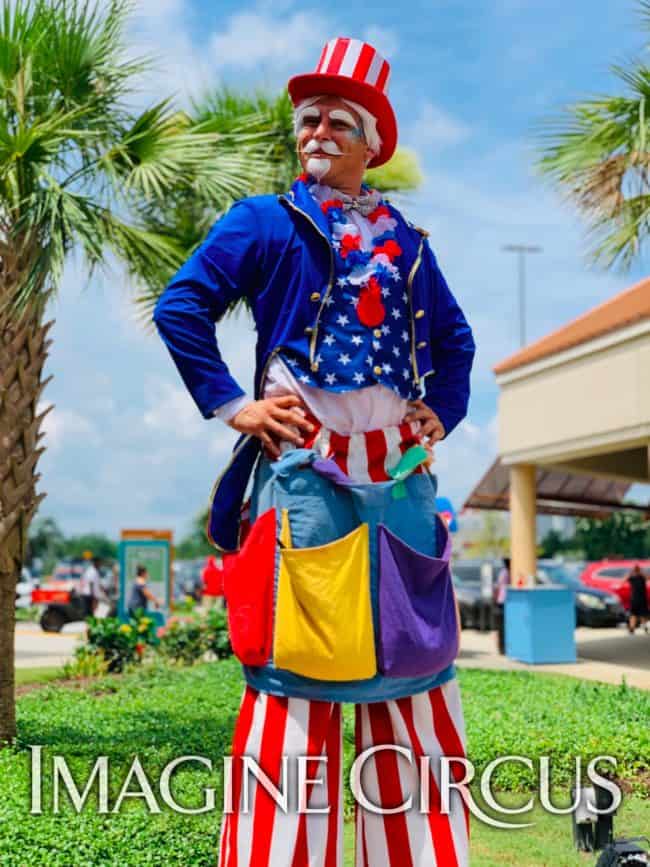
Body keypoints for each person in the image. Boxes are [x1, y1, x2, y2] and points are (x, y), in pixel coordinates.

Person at [154, 36, 475, 866]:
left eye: (338, 118)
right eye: (307, 118)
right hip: (306, 482)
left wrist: (442, 407)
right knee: (294, 687)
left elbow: (456, 340)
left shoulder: (410, 244)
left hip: (399, 490)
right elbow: (181, 307)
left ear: (372, 142)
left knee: (412, 681)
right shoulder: (265, 220)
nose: (318, 130)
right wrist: (235, 405)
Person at [493, 557, 511, 654]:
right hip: (504, 601)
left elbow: (498, 586)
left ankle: (502, 648)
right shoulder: (506, 572)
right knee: (503, 626)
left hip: (502, 601)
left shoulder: (504, 572)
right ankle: (502, 648)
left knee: (502, 626)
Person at [625, 564, 649, 634]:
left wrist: (640, 572)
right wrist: (632, 573)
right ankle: (632, 628)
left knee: (642, 614)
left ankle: (644, 627)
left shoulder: (642, 577)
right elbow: (624, 579)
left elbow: (648, 578)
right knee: (634, 614)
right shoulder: (632, 577)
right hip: (635, 599)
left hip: (640, 599)